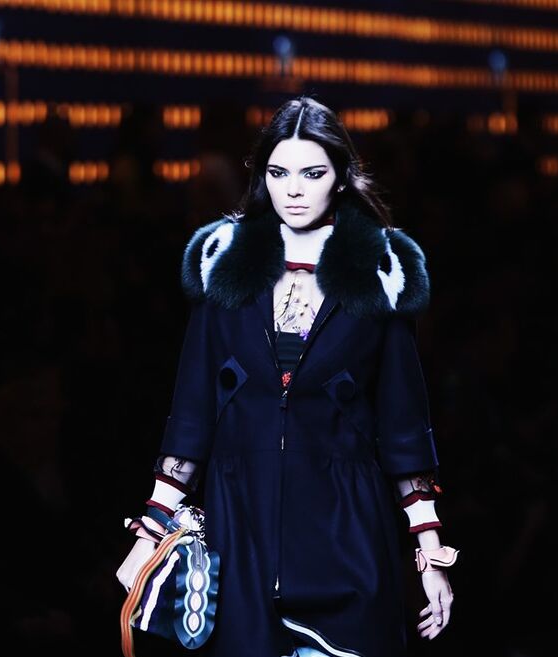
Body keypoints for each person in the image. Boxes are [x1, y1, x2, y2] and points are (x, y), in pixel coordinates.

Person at [116, 97, 458, 657]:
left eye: (312, 173)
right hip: (239, 530)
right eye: (278, 173)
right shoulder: (224, 268)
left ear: (341, 177)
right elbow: (192, 412)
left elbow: (402, 424)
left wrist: (430, 552)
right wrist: (150, 530)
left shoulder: (377, 274)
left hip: (345, 532)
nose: (293, 190)